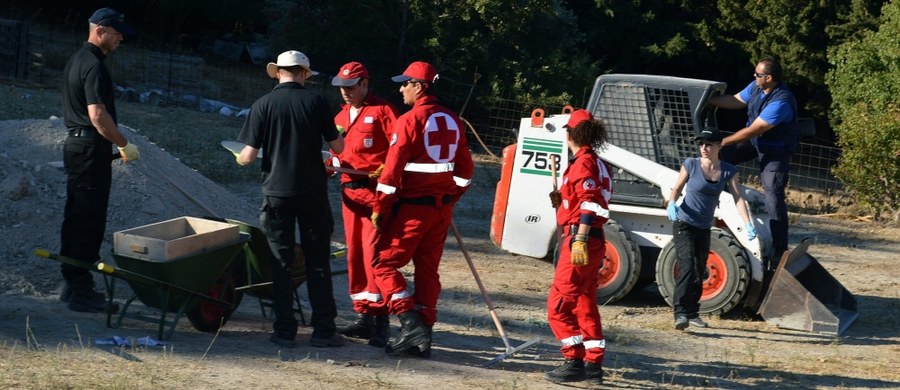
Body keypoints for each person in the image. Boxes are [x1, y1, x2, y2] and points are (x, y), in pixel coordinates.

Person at [236, 50, 345, 348]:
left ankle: (285, 330)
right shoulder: (316, 102)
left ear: (278, 72)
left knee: (280, 262)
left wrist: (239, 156)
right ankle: (323, 330)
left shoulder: (262, 104)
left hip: (276, 194)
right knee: (317, 260)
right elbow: (339, 146)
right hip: (312, 193)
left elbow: (247, 157)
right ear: (304, 74)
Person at [369, 61, 474, 357]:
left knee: (383, 264)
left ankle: (408, 322)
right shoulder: (454, 120)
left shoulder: (409, 120)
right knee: (428, 271)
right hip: (441, 210)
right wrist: (451, 196)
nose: (401, 88)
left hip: (413, 209)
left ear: (420, 86)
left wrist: (380, 208)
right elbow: (466, 170)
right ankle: (422, 338)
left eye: (405, 83)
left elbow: (391, 175)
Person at [59, 7, 140, 313]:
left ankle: (71, 281)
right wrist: (123, 143)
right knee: (89, 218)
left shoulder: (77, 60)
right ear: (101, 30)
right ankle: (82, 290)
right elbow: (97, 115)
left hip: (77, 146)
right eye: (117, 32)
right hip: (91, 147)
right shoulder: (94, 65)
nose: (120, 38)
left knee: (76, 213)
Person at [329, 61, 399, 347]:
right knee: (355, 254)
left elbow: (399, 147)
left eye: (350, 86)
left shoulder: (383, 111)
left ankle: (381, 321)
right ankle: (364, 316)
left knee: (375, 256)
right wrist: (329, 164)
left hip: (374, 194)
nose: (345, 92)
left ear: (365, 84)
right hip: (349, 193)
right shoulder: (341, 116)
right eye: (341, 87)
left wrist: (387, 169)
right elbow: (337, 152)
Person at [708, 56, 799, 265]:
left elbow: (752, 130)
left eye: (758, 74)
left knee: (773, 192)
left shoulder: (782, 102)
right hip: (757, 142)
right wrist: (708, 99)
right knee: (722, 160)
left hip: (775, 151)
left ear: (769, 78)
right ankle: (718, 212)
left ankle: (779, 249)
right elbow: (734, 100)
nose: (754, 76)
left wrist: (721, 142)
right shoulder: (756, 87)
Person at [543, 109, 611, 386]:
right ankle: (594, 364)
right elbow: (583, 199)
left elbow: (590, 202)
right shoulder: (596, 162)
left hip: (582, 238)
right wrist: (563, 200)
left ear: (571, 133)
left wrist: (580, 237)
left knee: (558, 306)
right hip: (593, 237)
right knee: (584, 303)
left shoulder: (583, 163)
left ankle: (573, 360)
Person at [665, 128, 755, 330]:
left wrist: (747, 223)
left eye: (708, 144)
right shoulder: (691, 164)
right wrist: (672, 202)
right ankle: (680, 314)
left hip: (704, 227)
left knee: (699, 270)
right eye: (701, 144)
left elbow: (738, 198)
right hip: (684, 224)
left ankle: (692, 313)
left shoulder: (728, 171)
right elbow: (677, 188)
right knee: (687, 267)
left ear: (718, 146)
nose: (703, 148)